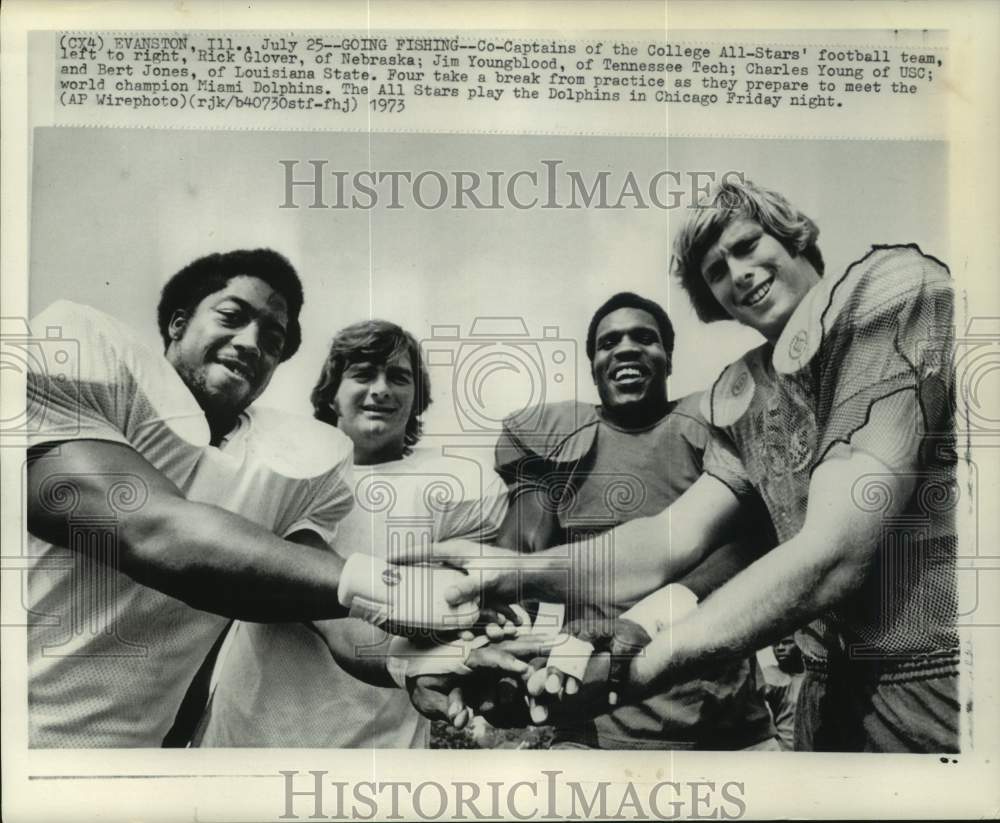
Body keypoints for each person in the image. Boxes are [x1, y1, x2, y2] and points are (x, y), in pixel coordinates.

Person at [424, 179, 960, 753]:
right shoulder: (745, 389)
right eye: (716, 270)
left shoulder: (890, 290)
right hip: (826, 699)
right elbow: (666, 540)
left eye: (749, 245)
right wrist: (511, 571)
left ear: (796, 238)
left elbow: (835, 554)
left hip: (937, 682)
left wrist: (634, 668)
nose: (739, 273)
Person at [25, 250, 478, 747]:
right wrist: (395, 588)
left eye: (272, 339)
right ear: (178, 323)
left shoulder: (295, 463)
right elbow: (148, 529)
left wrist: (411, 664)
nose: (250, 343)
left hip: (130, 762)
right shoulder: (85, 358)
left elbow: (329, 610)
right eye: (232, 317)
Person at [196, 319, 516, 747]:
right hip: (254, 725)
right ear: (332, 392)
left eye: (398, 378)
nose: (381, 389)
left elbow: (455, 611)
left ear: (417, 397)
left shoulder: (456, 483)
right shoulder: (288, 466)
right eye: (363, 374)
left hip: (377, 738)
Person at [490, 292, 776, 750]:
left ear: (668, 360)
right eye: (609, 343)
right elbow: (518, 561)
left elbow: (751, 545)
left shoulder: (711, 426)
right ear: (593, 366)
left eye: (645, 338)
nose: (625, 349)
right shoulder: (558, 445)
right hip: (602, 728)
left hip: (724, 723)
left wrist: (655, 614)